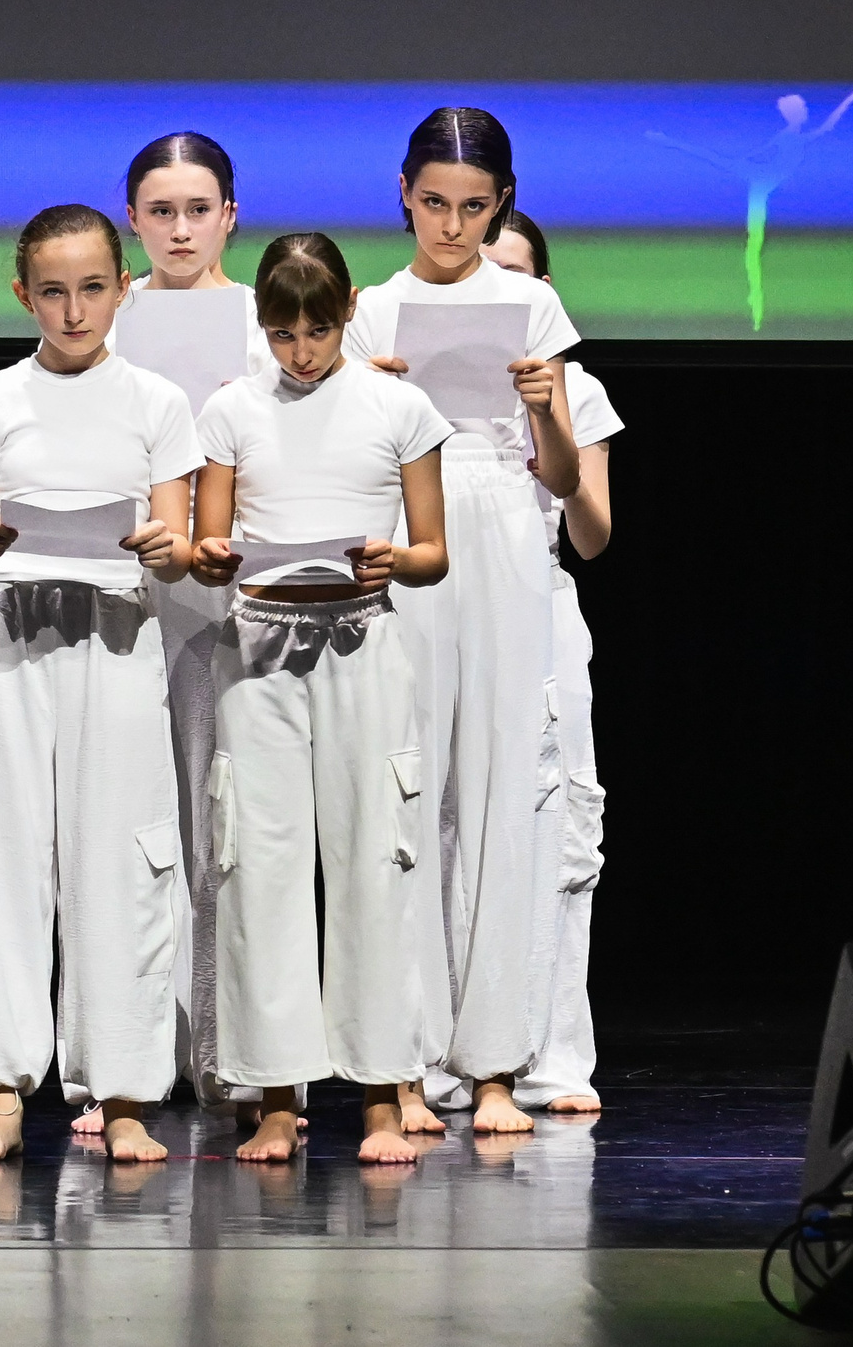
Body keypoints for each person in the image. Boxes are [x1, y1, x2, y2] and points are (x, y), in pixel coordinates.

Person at [0, 203, 199, 1166]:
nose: (75, 310)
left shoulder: (158, 402)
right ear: (24, 295)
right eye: (54, 291)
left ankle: (124, 1087)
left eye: (93, 288)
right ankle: (1, 1090)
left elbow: (171, 549)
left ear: (122, 287)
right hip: (12, 638)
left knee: (120, 860)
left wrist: (163, 547)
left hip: (118, 642)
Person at [188, 232, 452, 1164]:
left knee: (373, 858)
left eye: (317, 330)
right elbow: (206, 542)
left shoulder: (397, 405)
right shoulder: (231, 408)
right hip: (260, 647)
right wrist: (211, 554)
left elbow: (432, 551)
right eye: (282, 333)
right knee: (259, 866)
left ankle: (384, 1094)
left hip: (361, 639)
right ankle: (273, 1097)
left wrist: (395, 558)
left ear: (345, 315)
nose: (300, 351)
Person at [346, 109, 580, 1137]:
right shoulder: (370, 309)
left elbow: (565, 480)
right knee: (403, 782)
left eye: (473, 208)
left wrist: (539, 408)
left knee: (496, 788)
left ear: (502, 204)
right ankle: (398, 1064)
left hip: (501, 529)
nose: (451, 226)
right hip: (404, 522)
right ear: (403, 192)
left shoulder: (529, 300)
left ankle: (491, 1064)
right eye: (435, 203)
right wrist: (370, 397)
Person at [87, 130, 269, 1133]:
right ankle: (123, 1059)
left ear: (230, 216)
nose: (181, 229)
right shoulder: (104, 317)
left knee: (224, 817)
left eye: (199, 210)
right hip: (119, 579)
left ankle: (228, 1049)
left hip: (229, 584)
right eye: (161, 212)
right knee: (125, 817)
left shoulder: (257, 320)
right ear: (132, 219)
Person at [484, 211, 619, 1116]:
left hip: (539, 605)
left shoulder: (575, 387)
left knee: (561, 824)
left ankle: (553, 1053)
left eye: (521, 278)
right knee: (447, 823)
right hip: (439, 607)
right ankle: (449, 1055)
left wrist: (547, 415)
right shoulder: (398, 376)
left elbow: (593, 534)